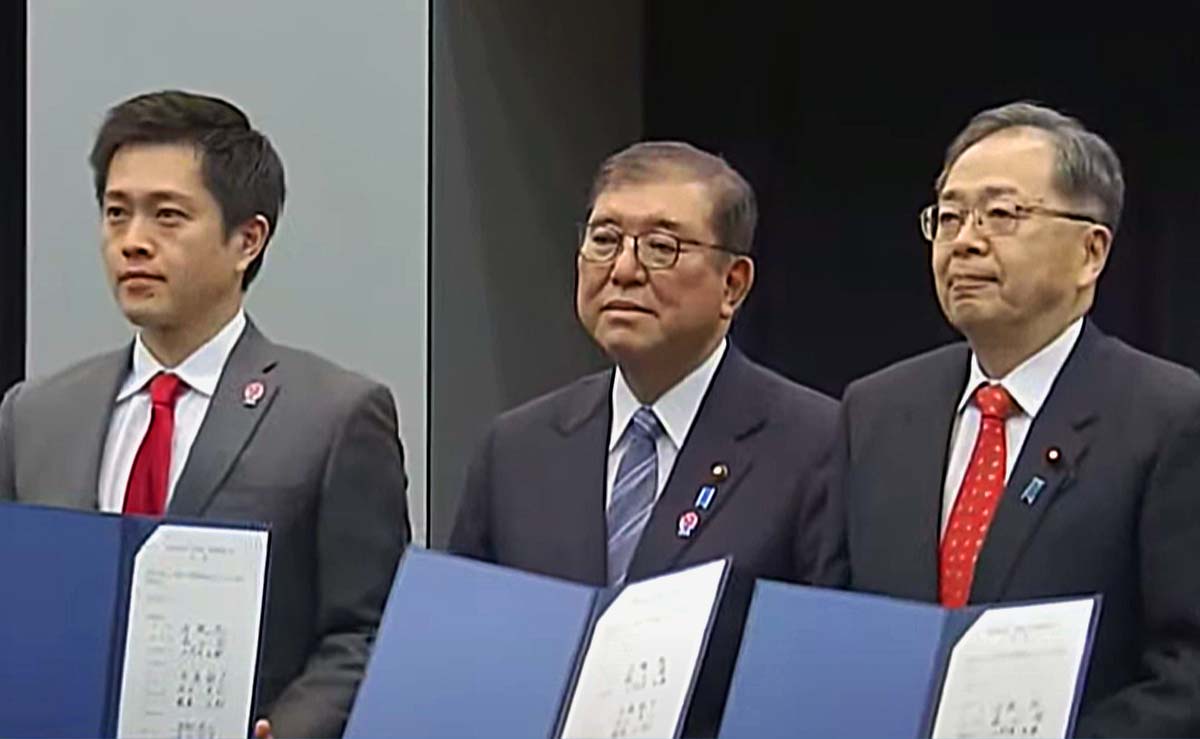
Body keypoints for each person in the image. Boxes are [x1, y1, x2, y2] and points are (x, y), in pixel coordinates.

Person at [0, 90, 410, 738]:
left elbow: (367, 628)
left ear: (247, 239)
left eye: (167, 216)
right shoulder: (38, 414)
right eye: (116, 213)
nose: (133, 242)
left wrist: (287, 729)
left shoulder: (334, 416)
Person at [820, 101, 1200, 736]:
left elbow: (1187, 671)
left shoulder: (1169, 417)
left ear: (1090, 252)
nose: (965, 241)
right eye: (949, 217)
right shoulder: (876, 410)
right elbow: (833, 627)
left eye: (1001, 215)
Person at [449, 140, 837, 735]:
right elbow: (464, 659)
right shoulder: (517, 448)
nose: (624, 270)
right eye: (604, 239)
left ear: (733, 284)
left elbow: (822, 682)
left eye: (662, 247)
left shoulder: (815, 444)